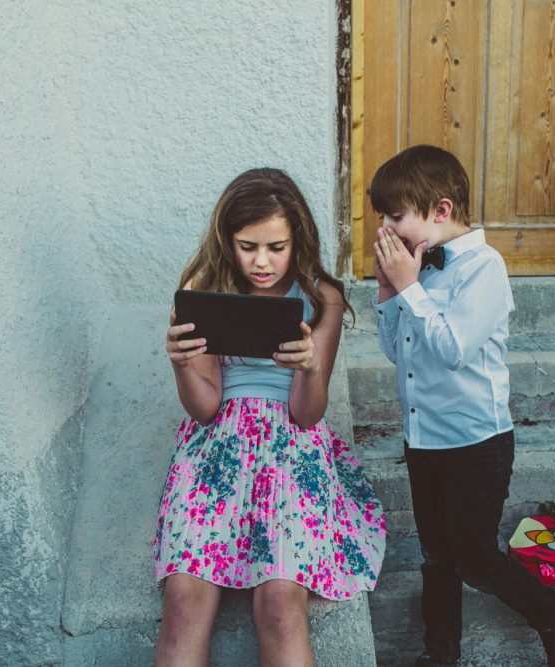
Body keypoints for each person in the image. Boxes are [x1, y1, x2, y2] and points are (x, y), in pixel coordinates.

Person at [153, 167, 386, 666]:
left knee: (280, 601)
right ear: (226, 239)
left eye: (276, 247)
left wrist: (310, 368)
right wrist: (180, 365)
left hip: (291, 447)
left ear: (297, 239)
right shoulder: (206, 287)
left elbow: (308, 415)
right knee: (184, 598)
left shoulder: (321, 296)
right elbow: (206, 406)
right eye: (247, 245)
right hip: (217, 448)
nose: (261, 262)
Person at [368, 145, 555, 667]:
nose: (387, 229)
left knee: (476, 557)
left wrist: (410, 289)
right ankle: (438, 654)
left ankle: (553, 614)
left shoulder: (483, 268)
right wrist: (388, 297)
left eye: (396, 216)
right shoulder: (419, 273)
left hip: (475, 444)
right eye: (383, 218)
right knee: (437, 557)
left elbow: (454, 350)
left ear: (440, 211)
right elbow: (400, 354)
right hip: (423, 440)